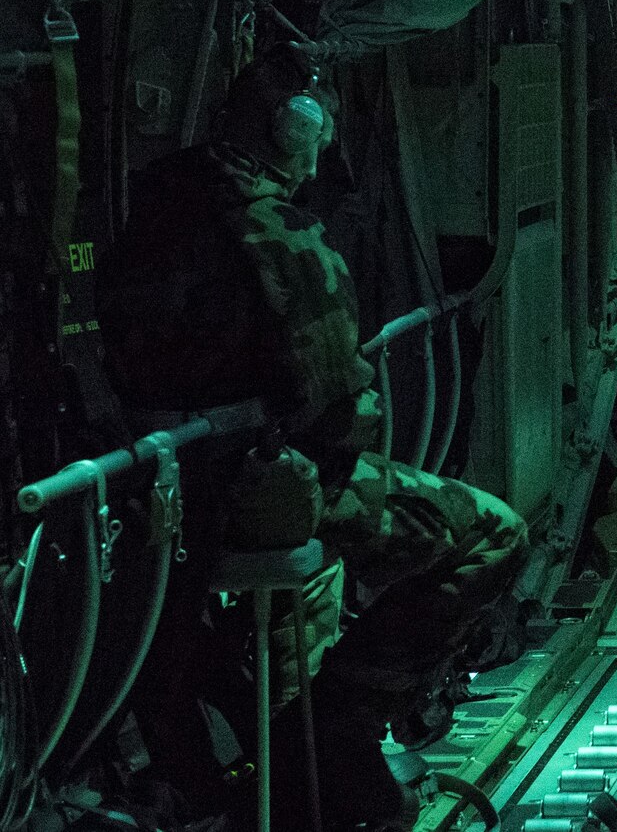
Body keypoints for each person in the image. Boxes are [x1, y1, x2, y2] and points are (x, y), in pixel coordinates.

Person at [98, 43, 528, 830]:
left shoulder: (153, 202)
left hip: (153, 499)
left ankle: (268, 713)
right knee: (493, 533)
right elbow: (339, 405)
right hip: (251, 493)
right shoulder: (280, 230)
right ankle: (342, 720)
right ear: (295, 132)